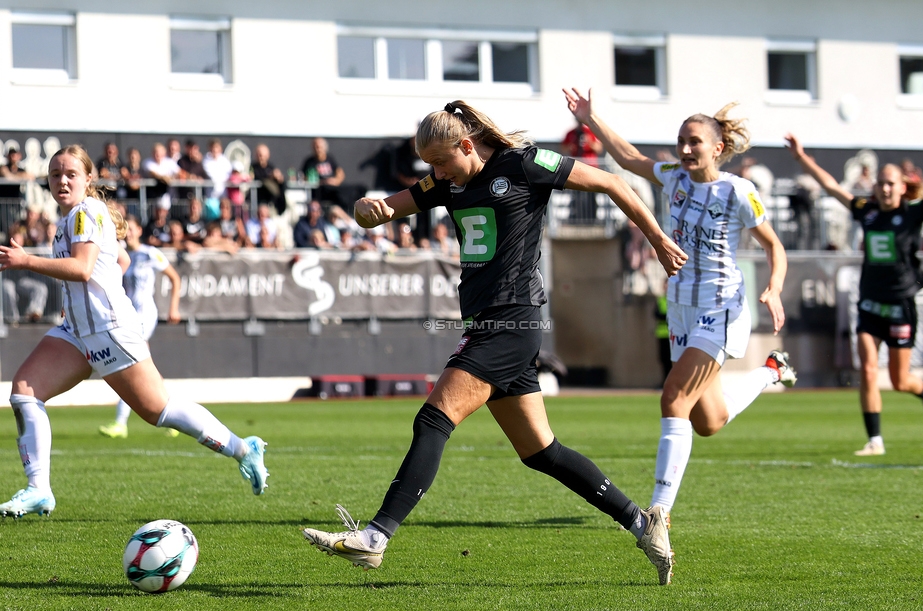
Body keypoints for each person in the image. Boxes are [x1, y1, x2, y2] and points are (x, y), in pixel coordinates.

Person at [301, 100, 688, 584]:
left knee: (434, 417)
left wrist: (655, 239)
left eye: (442, 161)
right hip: (486, 322)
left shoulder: (525, 164)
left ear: (467, 144)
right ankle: (641, 522)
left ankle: (376, 537)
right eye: (430, 166)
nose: (437, 174)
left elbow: (610, 181)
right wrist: (365, 211)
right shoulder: (446, 180)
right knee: (541, 452)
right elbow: (381, 213)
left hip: (512, 322)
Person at [564, 88, 797, 584]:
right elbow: (627, 157)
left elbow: (774, 247)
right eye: (681, 142)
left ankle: (658, 515)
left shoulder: (738, 192)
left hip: (724, 309)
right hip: (682, 311)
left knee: (673, 400)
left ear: (717, 148)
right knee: (708, 420)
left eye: (695, 142)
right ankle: (772, 371)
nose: (686, 150)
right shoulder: (672, 177)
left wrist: (774, 289)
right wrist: (590, 118)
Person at [0, 145, 268, 519]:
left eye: (71, 174)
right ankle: (38, 489)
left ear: (88, 179)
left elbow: (81, 268)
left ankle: (243, 448)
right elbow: (119, 260)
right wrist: (81, 298)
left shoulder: (85, 212)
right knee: (25, 391)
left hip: (110, 330)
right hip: (77, 331)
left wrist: (27, 261)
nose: (62, 180)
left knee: (160, 411)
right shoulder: (70, 219)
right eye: (55, 173)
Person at [786, 134, 923, 456]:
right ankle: (875, 440)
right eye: (881, 184)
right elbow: (833, 187)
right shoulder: (866, 211)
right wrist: (802, 158)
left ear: (902, 187)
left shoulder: (914, 213)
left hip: (901, 303)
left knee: (900, 380)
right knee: (869, 370)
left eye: (891, 184)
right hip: (870, 301)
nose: (885, 189)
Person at [99, 214, 183, 439]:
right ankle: (176, 417)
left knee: (132, 363)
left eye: (133, 229)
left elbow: (174, 278)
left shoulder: (149, 253)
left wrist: (173, 308)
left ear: (139, 231)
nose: (130, 233)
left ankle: (120, 423)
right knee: (145, 367)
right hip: (129, 316)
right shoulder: (122, 256)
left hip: (146, 316)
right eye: (127, 230)